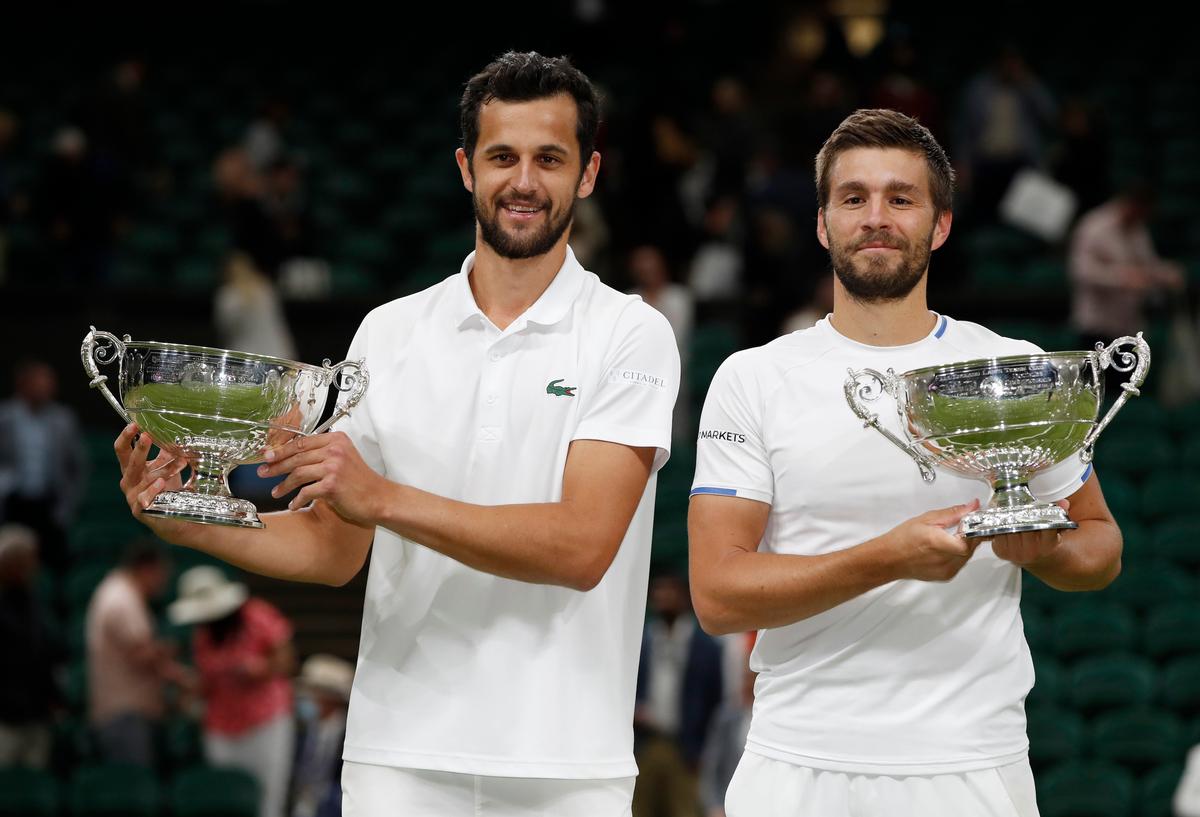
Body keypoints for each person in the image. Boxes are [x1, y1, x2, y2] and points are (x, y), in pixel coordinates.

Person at [114, 51, 679, 817]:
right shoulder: (388, 331)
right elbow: (331, 548)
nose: (523, 181)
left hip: (568, 761)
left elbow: (581, 547)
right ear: (464, 168)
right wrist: (189, 519)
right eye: (501, 157)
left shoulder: (630, 333)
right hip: (399, 754)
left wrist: (382, 497)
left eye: (549, 158)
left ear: (587, 173)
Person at [688, 109, 1123, 817]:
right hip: (799, 763)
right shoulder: (754, 378)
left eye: (901, 197)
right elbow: (717, 593)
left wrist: (1043, 551)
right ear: (824, 223)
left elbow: (1102, 544)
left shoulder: (1012, 368)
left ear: (940, 224)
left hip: (972, 761)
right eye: (854, 198)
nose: (876, 217)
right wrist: (887, 556)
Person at [168, 566, 296, 817]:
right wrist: (188, 687)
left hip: (266, 721)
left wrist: (262, 669)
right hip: (221, 727)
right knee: (226, 797)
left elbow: (286, 660)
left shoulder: (257, 615)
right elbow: (206, 681)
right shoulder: (203, 635)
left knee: (269, 799)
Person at [86, 537, 189, 767]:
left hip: (126, 715)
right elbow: (142, 657)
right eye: (162, 573)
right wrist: (181, 674)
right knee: (131, 789)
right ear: (147, 569)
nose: (163, 580)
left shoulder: (116, 591)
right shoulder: (122, 599)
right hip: (125, 716)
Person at [632, 572, 722, 817]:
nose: (663, 598)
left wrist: (703, 748)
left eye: (669, 592)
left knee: (683, 809)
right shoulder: (642, 641)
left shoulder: (705, 646)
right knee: (638, 809)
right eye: (658, 593)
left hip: (686, 747)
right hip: (645, 743)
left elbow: (715, 701)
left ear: (683, 597)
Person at [0, 359, 87, 573]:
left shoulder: (63, 419)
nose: (45, 388)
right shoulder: (5, 417)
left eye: (49, 383)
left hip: (50, 505)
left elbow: (78, 466)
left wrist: (67, 505)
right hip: (14, 502)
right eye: (39, 382)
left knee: (56, 564)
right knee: (13, 563)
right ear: (24, 384)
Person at [0, 524, 61, 768]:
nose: (34, 566)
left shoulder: (34, 601)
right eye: (28, 559)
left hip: (36, 715)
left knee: (36, 786)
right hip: (5, 717)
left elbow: (42, 653)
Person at [290, 653, 354, 817]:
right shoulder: (301, 730)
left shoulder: (349, 735)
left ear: (331, 698)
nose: (306, 697)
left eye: (312, 692)